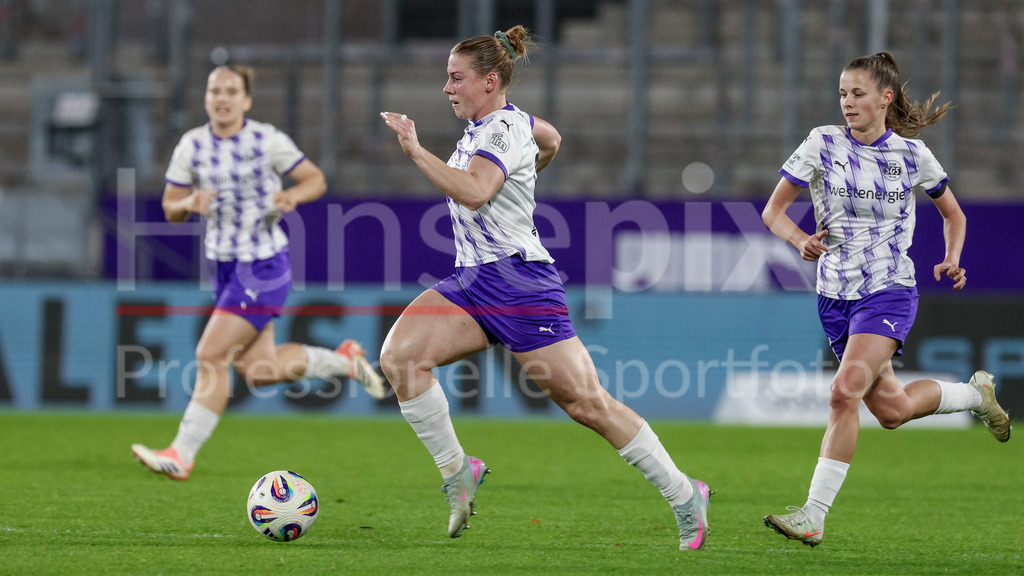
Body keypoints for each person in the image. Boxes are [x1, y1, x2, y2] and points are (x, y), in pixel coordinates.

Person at [377, 26, 711, 550]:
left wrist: (416, 151)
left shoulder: (500, 132)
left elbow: (474, 193)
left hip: (518, 283)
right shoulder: (500, 124)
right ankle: (457, 471)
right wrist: (532, 172)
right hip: (472, 279)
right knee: (400, 358)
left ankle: (684, 492)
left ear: (489, 81)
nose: (447, 88)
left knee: (587, 405)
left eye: (455, 78)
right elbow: (550, 137)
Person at [760, 51, 1011, 547]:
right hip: (835, 295)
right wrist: (799, 241)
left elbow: (953, 215)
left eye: (857, 94)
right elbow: (773, 211)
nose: (847, 103)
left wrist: (952, 256)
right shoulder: (822, 143)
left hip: (890, 289)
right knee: (891, 411)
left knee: (842, 391)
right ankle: (975, 395)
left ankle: (814, 514)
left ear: (885, 98)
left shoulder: (912, 156)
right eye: (842, 94)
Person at [131, 65, 385, 481]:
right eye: (215, 90)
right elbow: (170, 207)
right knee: (260, 370)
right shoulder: (191, 146)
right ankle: (342, 361)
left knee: (210, 355)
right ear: (206, 98)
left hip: (263, 265)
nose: (222, 97)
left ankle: (181, 453)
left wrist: (291, 195)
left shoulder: (266, 140)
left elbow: (315, 179)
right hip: (224, 268)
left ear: (246, 100)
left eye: (231, 90)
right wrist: (190, 202)